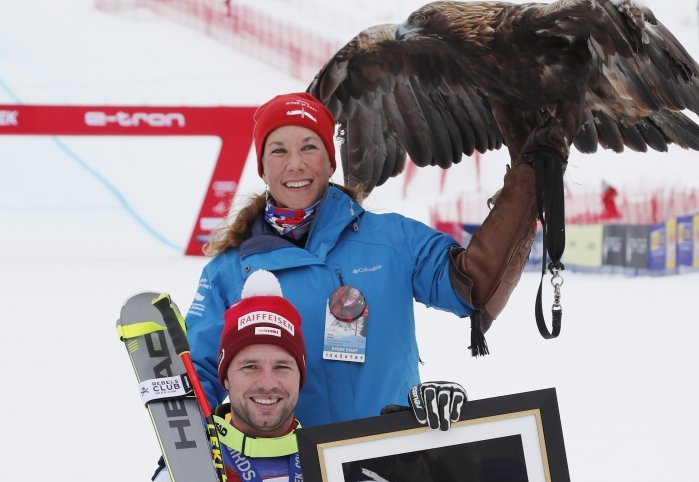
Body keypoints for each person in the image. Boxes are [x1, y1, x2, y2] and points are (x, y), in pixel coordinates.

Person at [185, 92, 539, 426]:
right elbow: (201, 377)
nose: (295, 164)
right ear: (262, 168)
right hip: (291, 476)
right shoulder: (231, 270)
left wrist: (527, 180)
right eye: (278, 151)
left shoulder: (393, 240)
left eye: (309, 147)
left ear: (329, 162)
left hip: (389, 464)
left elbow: (472, 286)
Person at [139, 270, 467, 482]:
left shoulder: (339, 466)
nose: (267, 382)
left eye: (282, 366)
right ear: (225, 378)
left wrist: (430, 438)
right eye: (249, 366)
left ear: (300, 376)